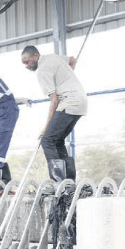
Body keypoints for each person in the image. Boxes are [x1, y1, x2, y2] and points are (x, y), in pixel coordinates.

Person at [21, 45, 87, 182]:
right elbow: (73, 60)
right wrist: (65, 79)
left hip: (69, 102)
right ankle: (69, 182)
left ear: (35, 56)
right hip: (81, 101)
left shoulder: (42, 71)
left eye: (27, 62)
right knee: (58, 141)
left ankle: (58, 184)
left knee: (47, 140)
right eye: (24, 63)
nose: (26, 66)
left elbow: (54, 100)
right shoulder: (53, 57)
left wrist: (46, 127)